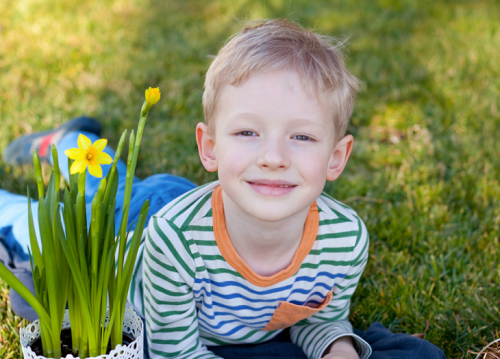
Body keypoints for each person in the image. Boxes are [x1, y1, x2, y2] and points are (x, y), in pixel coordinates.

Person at [1, 19, 446, 359]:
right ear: (210, 147)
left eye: (303, 137)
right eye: (248, 133)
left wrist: (338, 348)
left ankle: (71, 142)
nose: (274, 156)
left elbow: (320, 321)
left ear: (336, 157)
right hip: (134, 237)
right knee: (72, 213)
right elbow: (175, 352)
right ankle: (64, 145)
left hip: (200, 203)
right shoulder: (172, 242)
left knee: (118, 182)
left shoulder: (344, 241)